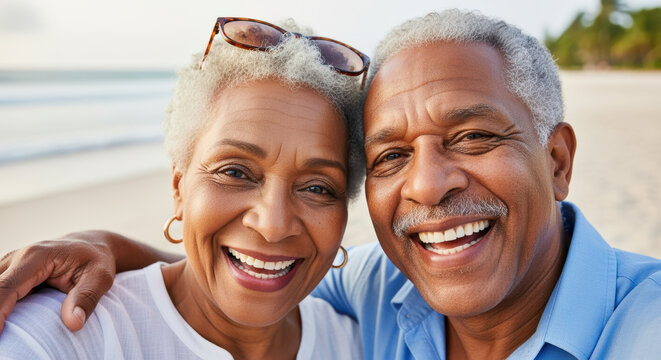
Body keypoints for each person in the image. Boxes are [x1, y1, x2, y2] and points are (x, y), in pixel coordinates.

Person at [2, 9, 661, 359]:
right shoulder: (380, 294)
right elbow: (243, 277)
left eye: (472, 136)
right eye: (391, 156)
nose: (428, 185)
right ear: (180, 186)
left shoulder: (645, 326)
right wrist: (106, 246)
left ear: (556, 162)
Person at [0, 16, 369, 359]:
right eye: (235, 172)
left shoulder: (356, 341)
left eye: (318, 188)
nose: (272, 225)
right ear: (179, 187)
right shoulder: (62, 334)